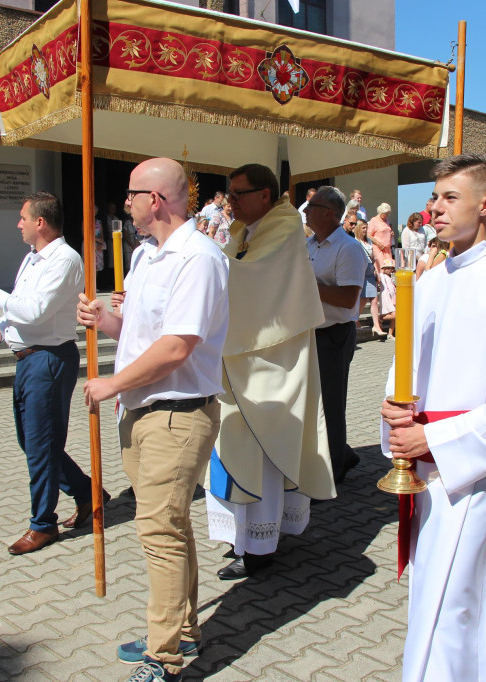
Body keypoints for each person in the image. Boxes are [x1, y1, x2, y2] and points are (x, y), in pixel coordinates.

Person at [380, 153, 486, 682]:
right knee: (431, 596)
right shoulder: (428, 282)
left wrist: (435, 437)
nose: (435, 208)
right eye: (434, 197)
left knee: (459, 606)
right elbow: (404, 367)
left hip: (469, 473)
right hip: (424, 465)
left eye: (450, 197)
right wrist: (395, 412)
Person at [77, 158, 229, 682]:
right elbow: (142, 335)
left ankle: (163, 657)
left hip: (176, 413)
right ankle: (180, 627)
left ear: (156, 200)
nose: (126, 203)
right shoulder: (147, 256)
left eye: (131, 194)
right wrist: (107, 319)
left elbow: (177, 346)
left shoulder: (198, 258)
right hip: (143, 411)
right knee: (171, 525)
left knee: (157, 530)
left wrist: (111, 384)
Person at [206, 163, 334, 580]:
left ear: (266, 195)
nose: (231, 201)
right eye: (229, 193)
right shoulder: (247, 231)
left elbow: (244, 279)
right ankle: (242, 537)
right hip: (245, 355)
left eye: (239, 193)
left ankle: (260, 546)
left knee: (263, 450)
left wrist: (196, 256)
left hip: (271, 362)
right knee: (237, 447)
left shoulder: (283, 227)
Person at [0, 192, 97, 555]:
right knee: (33, 442)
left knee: (41, 445)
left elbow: (37, 311)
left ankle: (43, 523)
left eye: (23, 218)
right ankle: (87, 493)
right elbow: (18, 311)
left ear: (40, 222)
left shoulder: (65, 259)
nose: (18, 224)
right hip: (27, 358)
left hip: (49, 359)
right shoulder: (32, 259)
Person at [305, 186, 369, 484]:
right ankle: (338, 454)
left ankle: (333, 470)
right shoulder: (309, 245)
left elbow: (347, 298)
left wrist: (305, 286)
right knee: (310, 403)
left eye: (311, 206)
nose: (305, 211)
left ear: (329, 213)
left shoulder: (348, 248)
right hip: (308, 332)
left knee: (330, 403)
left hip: (333, 334)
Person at [355, 219, 386, 337]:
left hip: (370, 270)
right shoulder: (355, 242)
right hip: (361, 270)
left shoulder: (368, 241)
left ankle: (376, 325)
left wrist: (377, 270)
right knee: (363, 299)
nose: (365, 230)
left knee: (373, 299)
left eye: (366, 228)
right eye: (363, 228)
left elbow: (373, 258)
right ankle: (355, 319)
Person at [368, 203, 394, 270]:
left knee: (389, 268)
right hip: (378, 248)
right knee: (381, 268)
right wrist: (378, 244)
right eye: (386, 214)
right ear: (381, 212)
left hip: (387, 249)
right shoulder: (374, 220)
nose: (387, 216)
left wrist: (390, 233)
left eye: (388, 214)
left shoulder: (387, 220)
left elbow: (385, 230)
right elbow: (368, 235)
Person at [378, 259, 397, 337]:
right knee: (395, 315)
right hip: (386, 296)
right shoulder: (382, 275)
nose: (390, 270)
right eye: (388, 268)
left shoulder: (391, 277)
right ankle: (380, 317)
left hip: (392, 297)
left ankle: (390, 333)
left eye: (391, 268)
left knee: (395, 317)